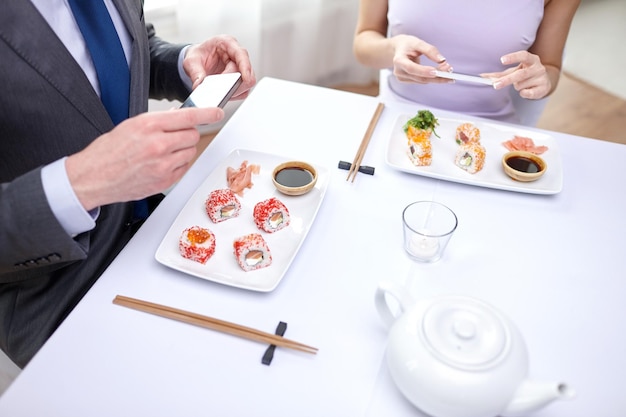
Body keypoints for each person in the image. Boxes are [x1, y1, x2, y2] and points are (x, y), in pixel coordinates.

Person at [0, 1, 256, 368]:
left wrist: (183, 62)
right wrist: (81, 182)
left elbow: (122, 47)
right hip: (58, 293)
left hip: (154, 226)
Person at [353, 0, 580, 125]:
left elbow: (550, 67)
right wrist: (393, 50)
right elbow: (364, 43)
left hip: (492, 129)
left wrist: (542, 79)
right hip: (397, 117)